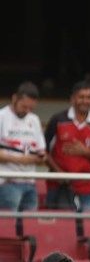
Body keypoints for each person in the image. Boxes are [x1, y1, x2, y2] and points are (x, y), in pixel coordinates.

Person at [44, 81, 90, 211]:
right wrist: (59, 174)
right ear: (72, 98)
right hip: (57, 185)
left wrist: (85, 152)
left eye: (89, 97)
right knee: (59, 227)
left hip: (86, 187)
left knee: (88, 227)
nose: (85, 101)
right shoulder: (57, 120)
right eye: (81, 97)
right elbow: (43, 151)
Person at [0, 82, 47, 211]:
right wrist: (21, 159)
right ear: (15, 98)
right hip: (7, 182)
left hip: (30, 182)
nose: (27, 111)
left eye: (31, 108)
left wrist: (40, 157)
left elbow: (42, 151)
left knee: (30, 225)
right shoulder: (2, 117)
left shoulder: (34, 120)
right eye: (24, 106)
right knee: (8, 226)